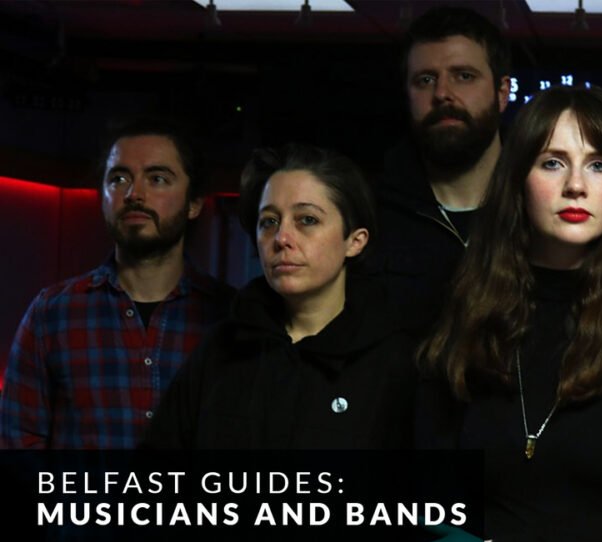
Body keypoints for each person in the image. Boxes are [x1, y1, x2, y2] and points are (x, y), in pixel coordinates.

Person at [408, 86, 602, 542]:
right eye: (552, 162)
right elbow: (431, 496)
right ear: (518, 179)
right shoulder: (463, 320)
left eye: (598, 165)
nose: (576, 185)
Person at [146, 143, 415, 451]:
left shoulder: (396, 363)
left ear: (355, 241)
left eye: (307, 220)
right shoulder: (220, 349)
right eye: (269, 222)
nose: (282, 238)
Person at [0, 116, 233, 451]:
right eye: (119, 179)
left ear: (194, 203)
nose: (134, 194)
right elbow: (19, 443)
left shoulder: (232, 318)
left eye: (157, 179)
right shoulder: (52, 314)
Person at [366, 5, 511, 333]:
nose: (443, 93)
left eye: (464, 76)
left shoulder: (541, 207)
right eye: (425, 80)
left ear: (502, 93)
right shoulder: (368, 213)